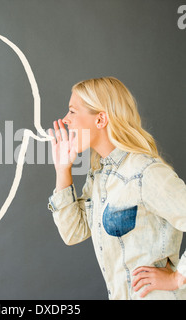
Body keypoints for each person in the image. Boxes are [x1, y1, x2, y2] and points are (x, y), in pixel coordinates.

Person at [47, 76, 186, 300]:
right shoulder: (100, 175)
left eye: (72, 111)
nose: (65, 120)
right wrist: (63, 169)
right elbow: (73, 233)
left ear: (100, 119)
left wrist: (177, 278)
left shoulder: (145, 172)